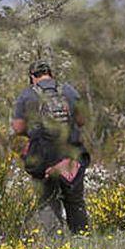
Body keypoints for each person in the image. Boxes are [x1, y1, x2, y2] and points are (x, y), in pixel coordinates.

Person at [12, 61, 89, 234]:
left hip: (43, 158)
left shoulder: (26, 95)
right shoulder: (69, 90)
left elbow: (17, 128)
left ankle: (56, 248)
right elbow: (82, 120)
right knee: (75, 200)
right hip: (71, 155)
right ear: (50, 73)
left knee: (47, 201)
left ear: (32, 77)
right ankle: (83, 241)